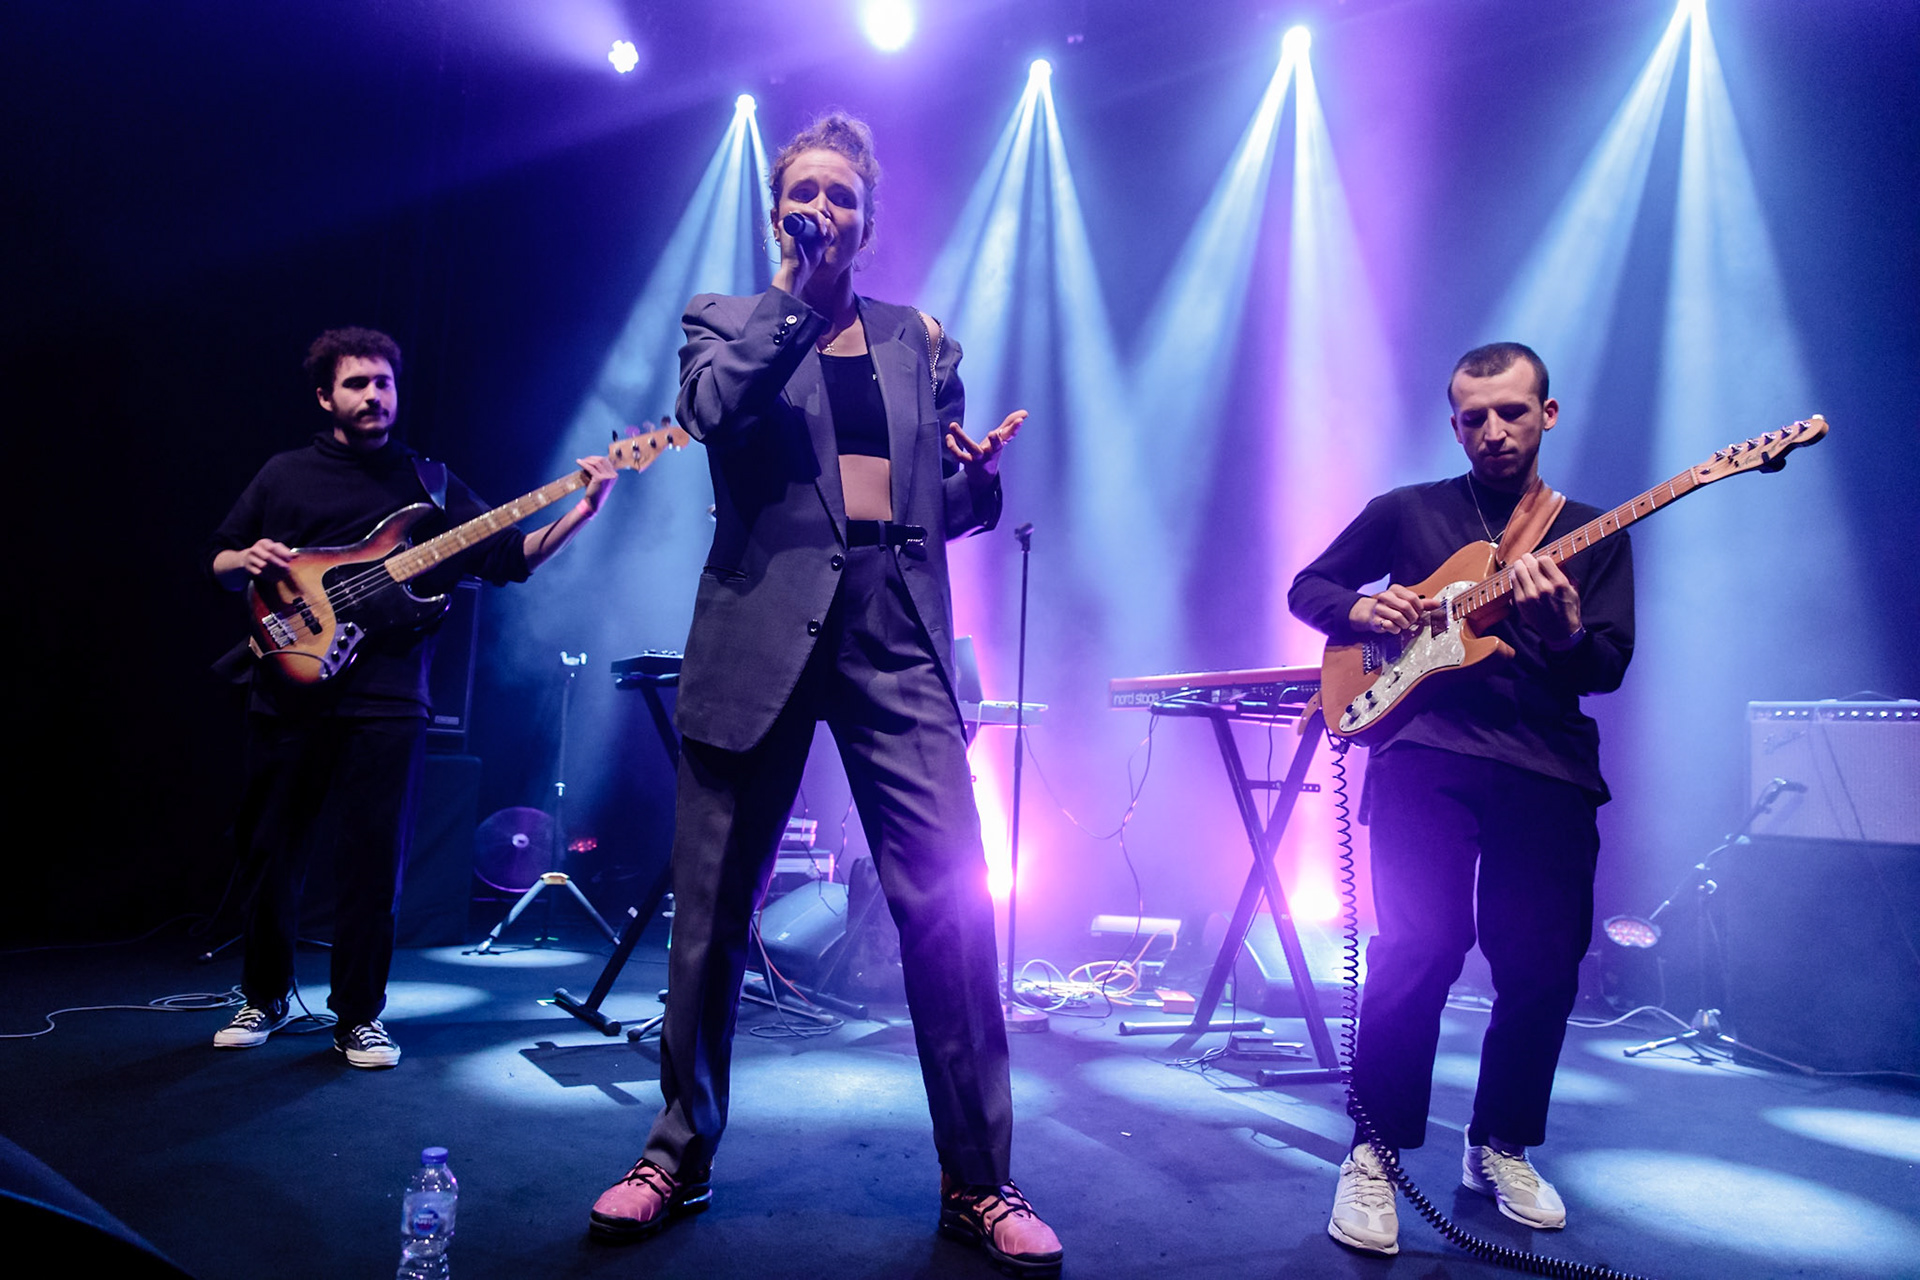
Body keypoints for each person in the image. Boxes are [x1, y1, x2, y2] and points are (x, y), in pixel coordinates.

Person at [587, 114, 1062, 1276]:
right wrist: (796, 298)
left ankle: (979, 1179)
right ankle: (676, 1154)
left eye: (843, 195)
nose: (824, 209)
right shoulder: (726, 320)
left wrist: (976, 484)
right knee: (710, 913)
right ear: (776, 213)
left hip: (893, 633)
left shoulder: (919, 340)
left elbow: (931, 505)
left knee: (952, 911)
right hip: (759, 631)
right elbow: (712, 414)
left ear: (868, 216)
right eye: (805, 192)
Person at [1289, 342, 1634, 1256]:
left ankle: (1500, 1144)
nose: (1494, 431)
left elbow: (1606, 666)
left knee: (1541, 967)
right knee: (1420, 947)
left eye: (1512, 412)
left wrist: (1565, 629)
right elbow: (1309, 587)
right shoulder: (1407, 512)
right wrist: (1362, 610)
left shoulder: (1591, 531)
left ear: (1546, 414)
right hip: (1427, 753)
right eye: (1474, 417)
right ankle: (1373, 1150)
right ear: (1454, 425)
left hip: (1549, 768)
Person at [209, 327, 618, 1069]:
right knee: (269, 854)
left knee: (374, 864)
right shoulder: (285, 473)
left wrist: (583, 510)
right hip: (287, 690)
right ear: (325, 396)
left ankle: (358, 1017)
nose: (374, 395)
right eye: (357, 383)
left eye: (384, 383)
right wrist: (246, 555)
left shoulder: (430, 484)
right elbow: (223, 563)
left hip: (389, 697)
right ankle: (262, 997)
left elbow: (511, 556)